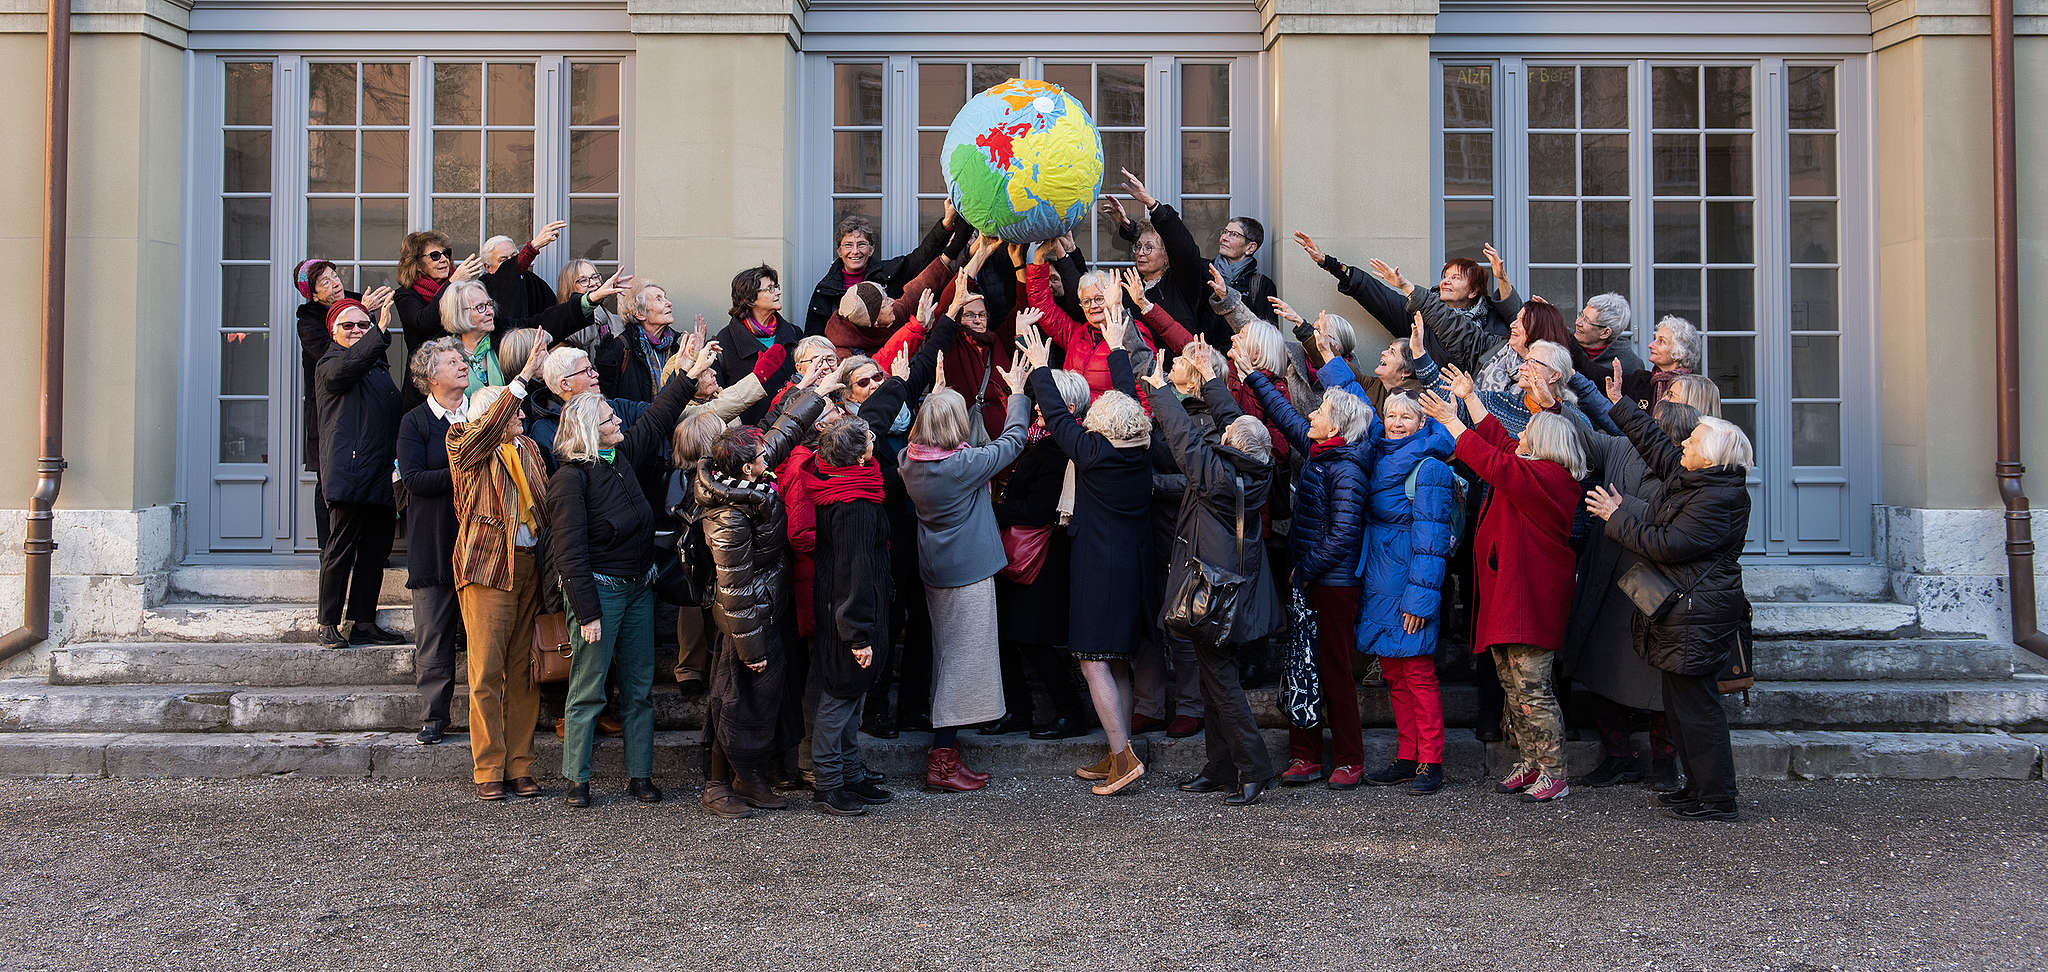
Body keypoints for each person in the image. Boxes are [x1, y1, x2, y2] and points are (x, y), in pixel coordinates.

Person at [547, 335, 713, 808]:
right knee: (588, 689)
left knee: (640, 689)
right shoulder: (569, 480)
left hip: (639, 589)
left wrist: (686, 372)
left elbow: (659, 417)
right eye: (608, 419)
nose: (618, 420)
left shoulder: (619, 457)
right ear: (587, 429)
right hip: (600, 595)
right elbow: (569, 553)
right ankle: (577, 780)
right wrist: (587, 612)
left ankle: (640, 776)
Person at [1586, 389, 1754, 822]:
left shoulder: (1719, 498)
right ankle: (1697, 789)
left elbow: (1668, 545)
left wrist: (1615, 516)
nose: (1683, 444)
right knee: (1681, 707)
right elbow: (1657, 445)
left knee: (1698, 710)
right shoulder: (1697, 478)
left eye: (1693, 440)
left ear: (1711, 455)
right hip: (1685, 610)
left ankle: (1717, 798)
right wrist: (1621, 404)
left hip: (1699, 613)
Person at [1416, 390, 1586, 804]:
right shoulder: (1534, 470)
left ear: (1544, 444)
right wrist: (1471, 399)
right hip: (1511, 597)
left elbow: (1493, 461)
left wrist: (1453, 422)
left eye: (1528, 430)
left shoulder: (1550, 479)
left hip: (1528, 600)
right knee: (1514, 688)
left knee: (1532, 689)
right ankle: (1532, 763)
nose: (1520, 432)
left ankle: (1554, 771)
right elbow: (1499, 443)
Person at [1018, 319, 1154, 794]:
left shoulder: (1094, 452)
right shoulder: (1140, 446)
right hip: (1132, 567)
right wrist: (1117, 347)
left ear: (1101, 426)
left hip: (1100, 569)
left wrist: (1039, 368)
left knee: (1093, 661)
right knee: (1117, 660)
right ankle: (1124, 749)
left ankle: (1122, 760)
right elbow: (1127, 393)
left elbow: (1056, 416)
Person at [1143, 343, 1283, 806]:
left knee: (1221, 682)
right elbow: (1231, 421)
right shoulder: (1256, 466)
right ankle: (1220, 766)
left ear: (1230, 447)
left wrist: (1161, 389)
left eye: (1226, 436)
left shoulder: (1217, 476)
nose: (1221, 435)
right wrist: (1211, 379)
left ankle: (1253, 767)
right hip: (1231, 589)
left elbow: (1183, 437)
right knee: (1211, 677)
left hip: (1212, 592)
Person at [694, 366, 834, 819]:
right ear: (745, 466)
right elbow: (735, 584)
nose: (767, 458)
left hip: (765, 606)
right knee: (732, 699)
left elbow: (782, 431)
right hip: (745, 617)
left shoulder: (745, 479)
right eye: (760, 457)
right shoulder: (729, 516)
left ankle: (747, 778)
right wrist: (750, 644)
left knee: (755, 698)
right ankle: (720, 785)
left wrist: (812, 390)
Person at [899, 373, 1033, 793]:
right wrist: (1017, 395)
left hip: (937, 569)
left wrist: (936, 390)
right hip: (968, 573)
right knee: (961, 663)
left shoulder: (909, 459)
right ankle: (942, 763)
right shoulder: (960, 466)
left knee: (947, 655)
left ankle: (948, 754)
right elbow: (1012, 442)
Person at [1243, 372, 1373, 790]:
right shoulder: (1322, 451)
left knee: (1333, 669)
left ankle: (1350, 759)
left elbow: (1344, 535)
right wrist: (1253, 376)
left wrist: (1305, 569)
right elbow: (1286, 417)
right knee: (1302, 665)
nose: (1311, 414)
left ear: (1334, 427)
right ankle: (1305, 755)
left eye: (1319, 411)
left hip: (1332, 584)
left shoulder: (1348, 469)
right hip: (1310, 578)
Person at [1567, 399, 1704, 791]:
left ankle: (1665, 760)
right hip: (1606, 578)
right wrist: (1556, 401)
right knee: (1598, 668)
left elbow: (1678, 521)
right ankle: (1617, 756)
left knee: (1658, 679)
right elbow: (1589, 440)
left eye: (1654, 425)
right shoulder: (1624, 447)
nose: (1644, 429)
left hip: (1653, 588)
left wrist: (1621, 508)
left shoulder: (1687, 470)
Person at [445, 334, 553, 801]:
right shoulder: (464, 445)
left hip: (528, 566)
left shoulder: (527, 449)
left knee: (524, 672)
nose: (524, 417)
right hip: (489, 569)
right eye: (516, 412)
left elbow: (545, 507)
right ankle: (488, 767)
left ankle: (520, 765)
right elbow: (485, 432)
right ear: (491, 417)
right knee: (486, 672)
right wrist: (523, 376)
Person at [1354, 391, 1461, 795]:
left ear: (1422, 423)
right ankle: (1406, 755)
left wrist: (1420, 600)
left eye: (1406, 417)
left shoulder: (1429, 467)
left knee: (1417, 673)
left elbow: (1432, 541)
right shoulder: (1380, 456)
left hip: (1410, 581)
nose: (1396, 422)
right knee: (1395, 674)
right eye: (1390, 415)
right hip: (1381, 579)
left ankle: (1429, 761)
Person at [798, 415, 899, 815]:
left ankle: (851, 773)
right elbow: (852, 572)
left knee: (852, 696)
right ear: (858, 459)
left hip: (845, 610)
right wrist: (857, 635)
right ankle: (829, 781)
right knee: (840, 697)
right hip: (849, 616)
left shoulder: (845, 488)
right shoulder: (854, 504)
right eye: (869, 441)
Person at [993, 368, 1093, 741]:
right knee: (1017, 638)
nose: (1036, 407)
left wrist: (992, 512)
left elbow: (1037, 508)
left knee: (1034, 641)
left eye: (1043, 402)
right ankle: (1020, 711)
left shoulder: (1055, 448)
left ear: (1065, 406)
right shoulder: (1045, 442)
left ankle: (1068, 713)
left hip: (1040, 557)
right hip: (1034, 554)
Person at [312, 298, 406, 651]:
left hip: (380, 474)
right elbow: (344, 371)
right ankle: (327, 622)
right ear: (333, 332)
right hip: (349, 474)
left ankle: (363, 621)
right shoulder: (330, 362)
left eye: (362, 326)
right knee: (340, 550)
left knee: (375, 552)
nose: (356, 331)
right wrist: (378, 332)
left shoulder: (377, 369)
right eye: (348, 326)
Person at [395, 336, 468, 744]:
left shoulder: (479, 413)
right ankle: (434, 716)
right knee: (434, 635)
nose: (462, 364)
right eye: (452, 360)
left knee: (482, 635)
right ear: (430, 376)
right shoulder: (416, 421)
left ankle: (487, 713)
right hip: (434, 542)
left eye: (461, 358)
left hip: (479, 544)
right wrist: (464, 472)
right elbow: (415, 480)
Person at [293, 261, 389, 549]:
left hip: (368, 404)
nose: (334, 283)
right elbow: (331, 357)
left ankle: (369, 550)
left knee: (370, 471)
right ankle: (330, 550)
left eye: (334, 276)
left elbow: (382, 341)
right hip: (330, 409)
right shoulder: (308, 319)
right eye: (324, 282)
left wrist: (368, 313)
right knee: (329, 481)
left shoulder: (356, 301)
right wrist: (366, 313)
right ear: (313, 294)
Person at [1294, 231, 1521, 348]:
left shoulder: (1493, 319)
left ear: (1473, 292)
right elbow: (1373, 292)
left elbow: (1519, 320)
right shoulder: (1419, 317)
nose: (1445, 282)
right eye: (1445, 277)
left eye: (1456, 278)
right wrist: (1327, 262)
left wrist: (1501, 277)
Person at [438, 270, 631, 396]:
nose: (490, 311)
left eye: (489, 304)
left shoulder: (505, 336)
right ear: (458, 313)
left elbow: (551, 321)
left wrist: (593, 297)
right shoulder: (444, 355)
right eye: (480, 307)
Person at [1099, 167, 1236, 342]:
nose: (1141, 252)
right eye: (1138, 246)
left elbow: (1183, 248)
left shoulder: (1181, 283)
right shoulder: (1130, 285)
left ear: (1166, 255)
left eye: (1149, 247)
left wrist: (1151, 204)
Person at [804, 207, 963, 336]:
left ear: (871, 249)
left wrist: (947, 223)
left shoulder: (888, 274)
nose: (855, 251)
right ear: (838, 251)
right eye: (848, 245)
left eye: (861, 244)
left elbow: (922, 256)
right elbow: (813, 338)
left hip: (887, 356)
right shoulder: (824, 290)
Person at [714, 265, 802, 424]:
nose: (778, 292)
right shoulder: (724, 342)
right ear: (749, 299)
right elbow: (718, 401)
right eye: (770, 289)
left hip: (791, 429)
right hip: (747, 437)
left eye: (777, 287)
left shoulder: (795, 334)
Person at [393, 230, 485, 357]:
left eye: (446, 254)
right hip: (427, 368)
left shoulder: (459, 287)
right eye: (435, 256)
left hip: (462, 363)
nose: (444, 259)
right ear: (418, 265)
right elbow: (424, 323)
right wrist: (451, 284)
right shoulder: (405, 295)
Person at [479, 221, 564, 325]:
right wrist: (533, 247)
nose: (511, 262)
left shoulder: (533, 280)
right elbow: (508, 272)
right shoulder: (483, 287)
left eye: (514, 256)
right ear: (488, 267)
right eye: (504, 260)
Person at [1620, 316, 1703, 411]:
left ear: (1681, 352)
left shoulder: (1694, 389)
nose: (1650, 345)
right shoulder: (1640, 381)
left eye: (1661, 341)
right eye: (1655, 339)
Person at [1572, 292, 1643, 383]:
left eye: (1586, 320)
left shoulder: (1630, 366)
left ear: (1605, 333)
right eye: (1581, 315)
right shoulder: (1565, 341)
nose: (1578, 322)